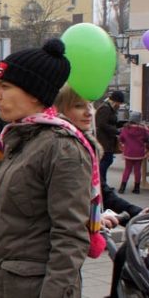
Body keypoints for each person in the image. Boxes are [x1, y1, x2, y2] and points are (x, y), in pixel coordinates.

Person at [0, 39, 99, 297]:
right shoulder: (14, 140)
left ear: (34, 93)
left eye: (6, 87)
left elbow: (70, 239)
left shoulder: (62, 149)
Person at [53, 85, 146, 298]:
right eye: (79, 106)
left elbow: (100, 191)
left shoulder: (82, 144)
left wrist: (135, 211)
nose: (89, 112)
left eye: (89, 106)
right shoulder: (66, 148)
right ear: (59, 109)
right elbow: (62, 204)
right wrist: (90, 217)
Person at [96, 90, 124, 186]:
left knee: (107, 160)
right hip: (103, 140)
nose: (120, 105)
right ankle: (101, 183)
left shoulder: (110, 108)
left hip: (108, 140)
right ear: (115, 101)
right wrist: (117, 131)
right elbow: (101, 124)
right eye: (119, 102)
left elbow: (111, 122)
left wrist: (121, 124)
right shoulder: (105, 109)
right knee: (107, 160)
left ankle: (103, 183)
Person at [118, 112, 149, 194]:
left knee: (127, 170)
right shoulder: (143, 129)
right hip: (139, 153)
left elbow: (121, 138)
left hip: (128, 152)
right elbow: (147, 138)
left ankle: (122, 188)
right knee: (137, 170)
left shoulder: (125, 128)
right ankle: (137, 188)